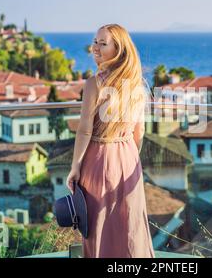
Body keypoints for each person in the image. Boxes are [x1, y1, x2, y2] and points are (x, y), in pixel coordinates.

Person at [66, 24, 155, 258]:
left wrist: (75, 167)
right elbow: (140, 132)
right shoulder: (138, 85)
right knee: (130, 226)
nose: (95, 47)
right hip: (128, 158)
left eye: (102, 43)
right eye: (95, 41)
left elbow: (84, 130)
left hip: (98, 157)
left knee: (98, 226)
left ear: (118, 49)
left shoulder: (94, 84)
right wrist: (126, 154)